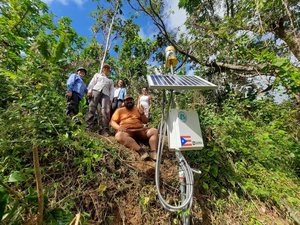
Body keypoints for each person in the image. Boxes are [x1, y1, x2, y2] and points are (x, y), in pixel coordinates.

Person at [110, 94, 158, 161]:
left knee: (154, 131)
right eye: (127, 100)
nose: (129, 101)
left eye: (131, 100)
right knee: (119, 136)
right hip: (127, 131)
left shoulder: (138, 109)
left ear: (133, 101)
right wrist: (119, 127)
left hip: (140, 131)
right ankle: (141, 151)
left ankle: (153, 152)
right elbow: (112, 122)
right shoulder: (119, 111)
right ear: (124, 102)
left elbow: (145, 121)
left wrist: (142, 114)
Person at [85, 63, 114, 136]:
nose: (106, 69)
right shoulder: (97, 75)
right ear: (102, 69)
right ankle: (88, 128)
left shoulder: (110, 80)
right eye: (105, 68)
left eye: (108, 68)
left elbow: (112, 90)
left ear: (109, 70)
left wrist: (111, 98)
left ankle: (105, 130)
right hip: (96, 91)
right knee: (92, 108)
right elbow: (92, 83)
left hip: (106, 94)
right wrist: (89, 90)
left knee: (105, 111)